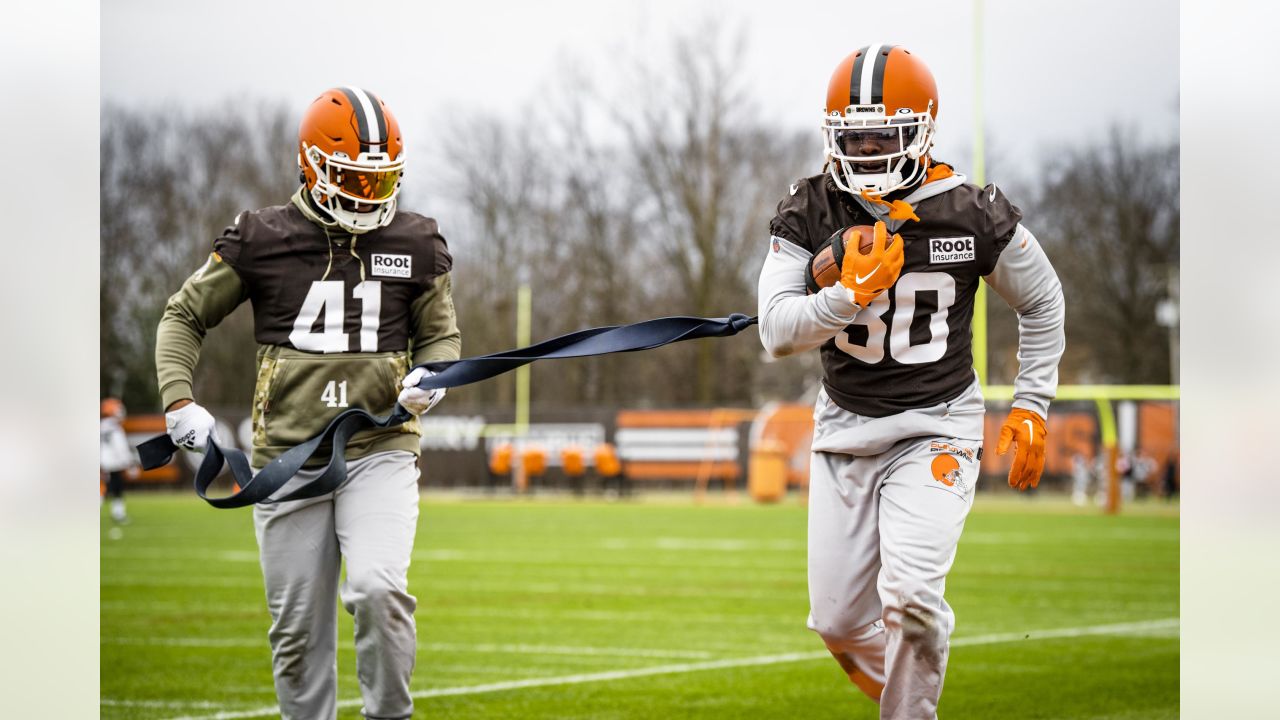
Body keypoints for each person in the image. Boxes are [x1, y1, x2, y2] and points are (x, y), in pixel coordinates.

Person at [757, 45, 1065, 718]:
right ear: (830, 135)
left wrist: (1033, 403)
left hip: (936, 425)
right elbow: (776, 331)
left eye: (883, 133)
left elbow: (1042, 300)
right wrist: (845, 294)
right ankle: (910, 688)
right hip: (845, 428)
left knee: (914, 604)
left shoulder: (970, 212)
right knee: (837, 623)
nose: (867, 149)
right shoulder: (810, 209)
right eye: (853, 135)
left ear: (922, 130)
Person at [154, 87, 461, 720]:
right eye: (353, 179)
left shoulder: (420, 240)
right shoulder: (261, 236)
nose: (369, 197)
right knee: (298, 634)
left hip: (379, 447)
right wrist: (179, 399)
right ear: (312, 166)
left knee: (379, 589)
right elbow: (184, 314)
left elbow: (439, 335)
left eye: (381, 182)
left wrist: (433, 375)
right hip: (288, 458)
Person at [99, 397, 137, 524]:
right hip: (113, 463)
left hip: (103, 463)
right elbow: (121, 448)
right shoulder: (114, 428)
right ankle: (118, 513)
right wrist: (130, 464)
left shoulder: (101, 426)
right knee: (110, 489)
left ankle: (118, 513)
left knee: (108, 489)